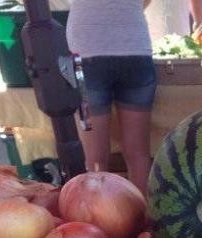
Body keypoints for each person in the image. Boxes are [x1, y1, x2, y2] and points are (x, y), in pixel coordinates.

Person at [67, 0, 157, 195]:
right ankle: (142, 220)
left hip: (85, 55)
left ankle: (99, 220)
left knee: (95, 159)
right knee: (138, 154)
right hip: (136, 51)